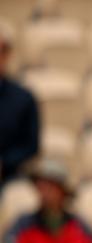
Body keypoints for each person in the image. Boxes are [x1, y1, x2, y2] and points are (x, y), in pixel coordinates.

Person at [3, 159, 92, 243]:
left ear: (62, 191)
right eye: (40, 186)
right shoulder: (23, 227)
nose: (44, 192)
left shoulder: (80, 228)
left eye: (50, 186)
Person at [0, 21, 40, 188]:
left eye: (1, 51)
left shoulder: (23, 98)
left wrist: (4, 163)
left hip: (9, 177)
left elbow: (31, 145)